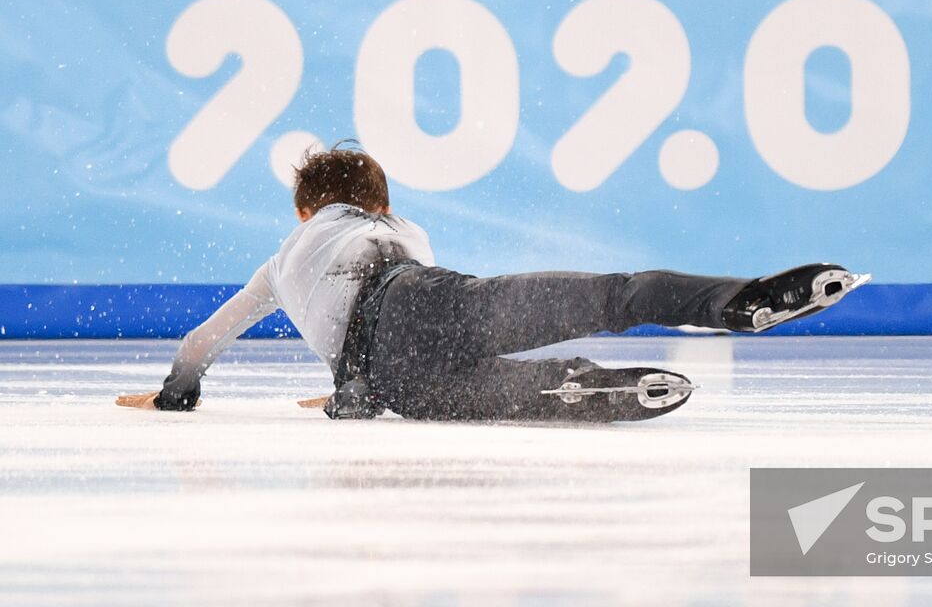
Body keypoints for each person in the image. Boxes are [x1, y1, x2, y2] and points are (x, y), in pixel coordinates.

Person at [116, 145, 866, 422]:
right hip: (433, 305)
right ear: (378, 202)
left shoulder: (284, 256)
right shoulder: (397, 230)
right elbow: (388, 295)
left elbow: (203, 340)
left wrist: (179, 392)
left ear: (305, 209)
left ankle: (597, 391)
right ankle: (738, 301)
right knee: (612, 295)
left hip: (397, 388)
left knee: (516, 393)